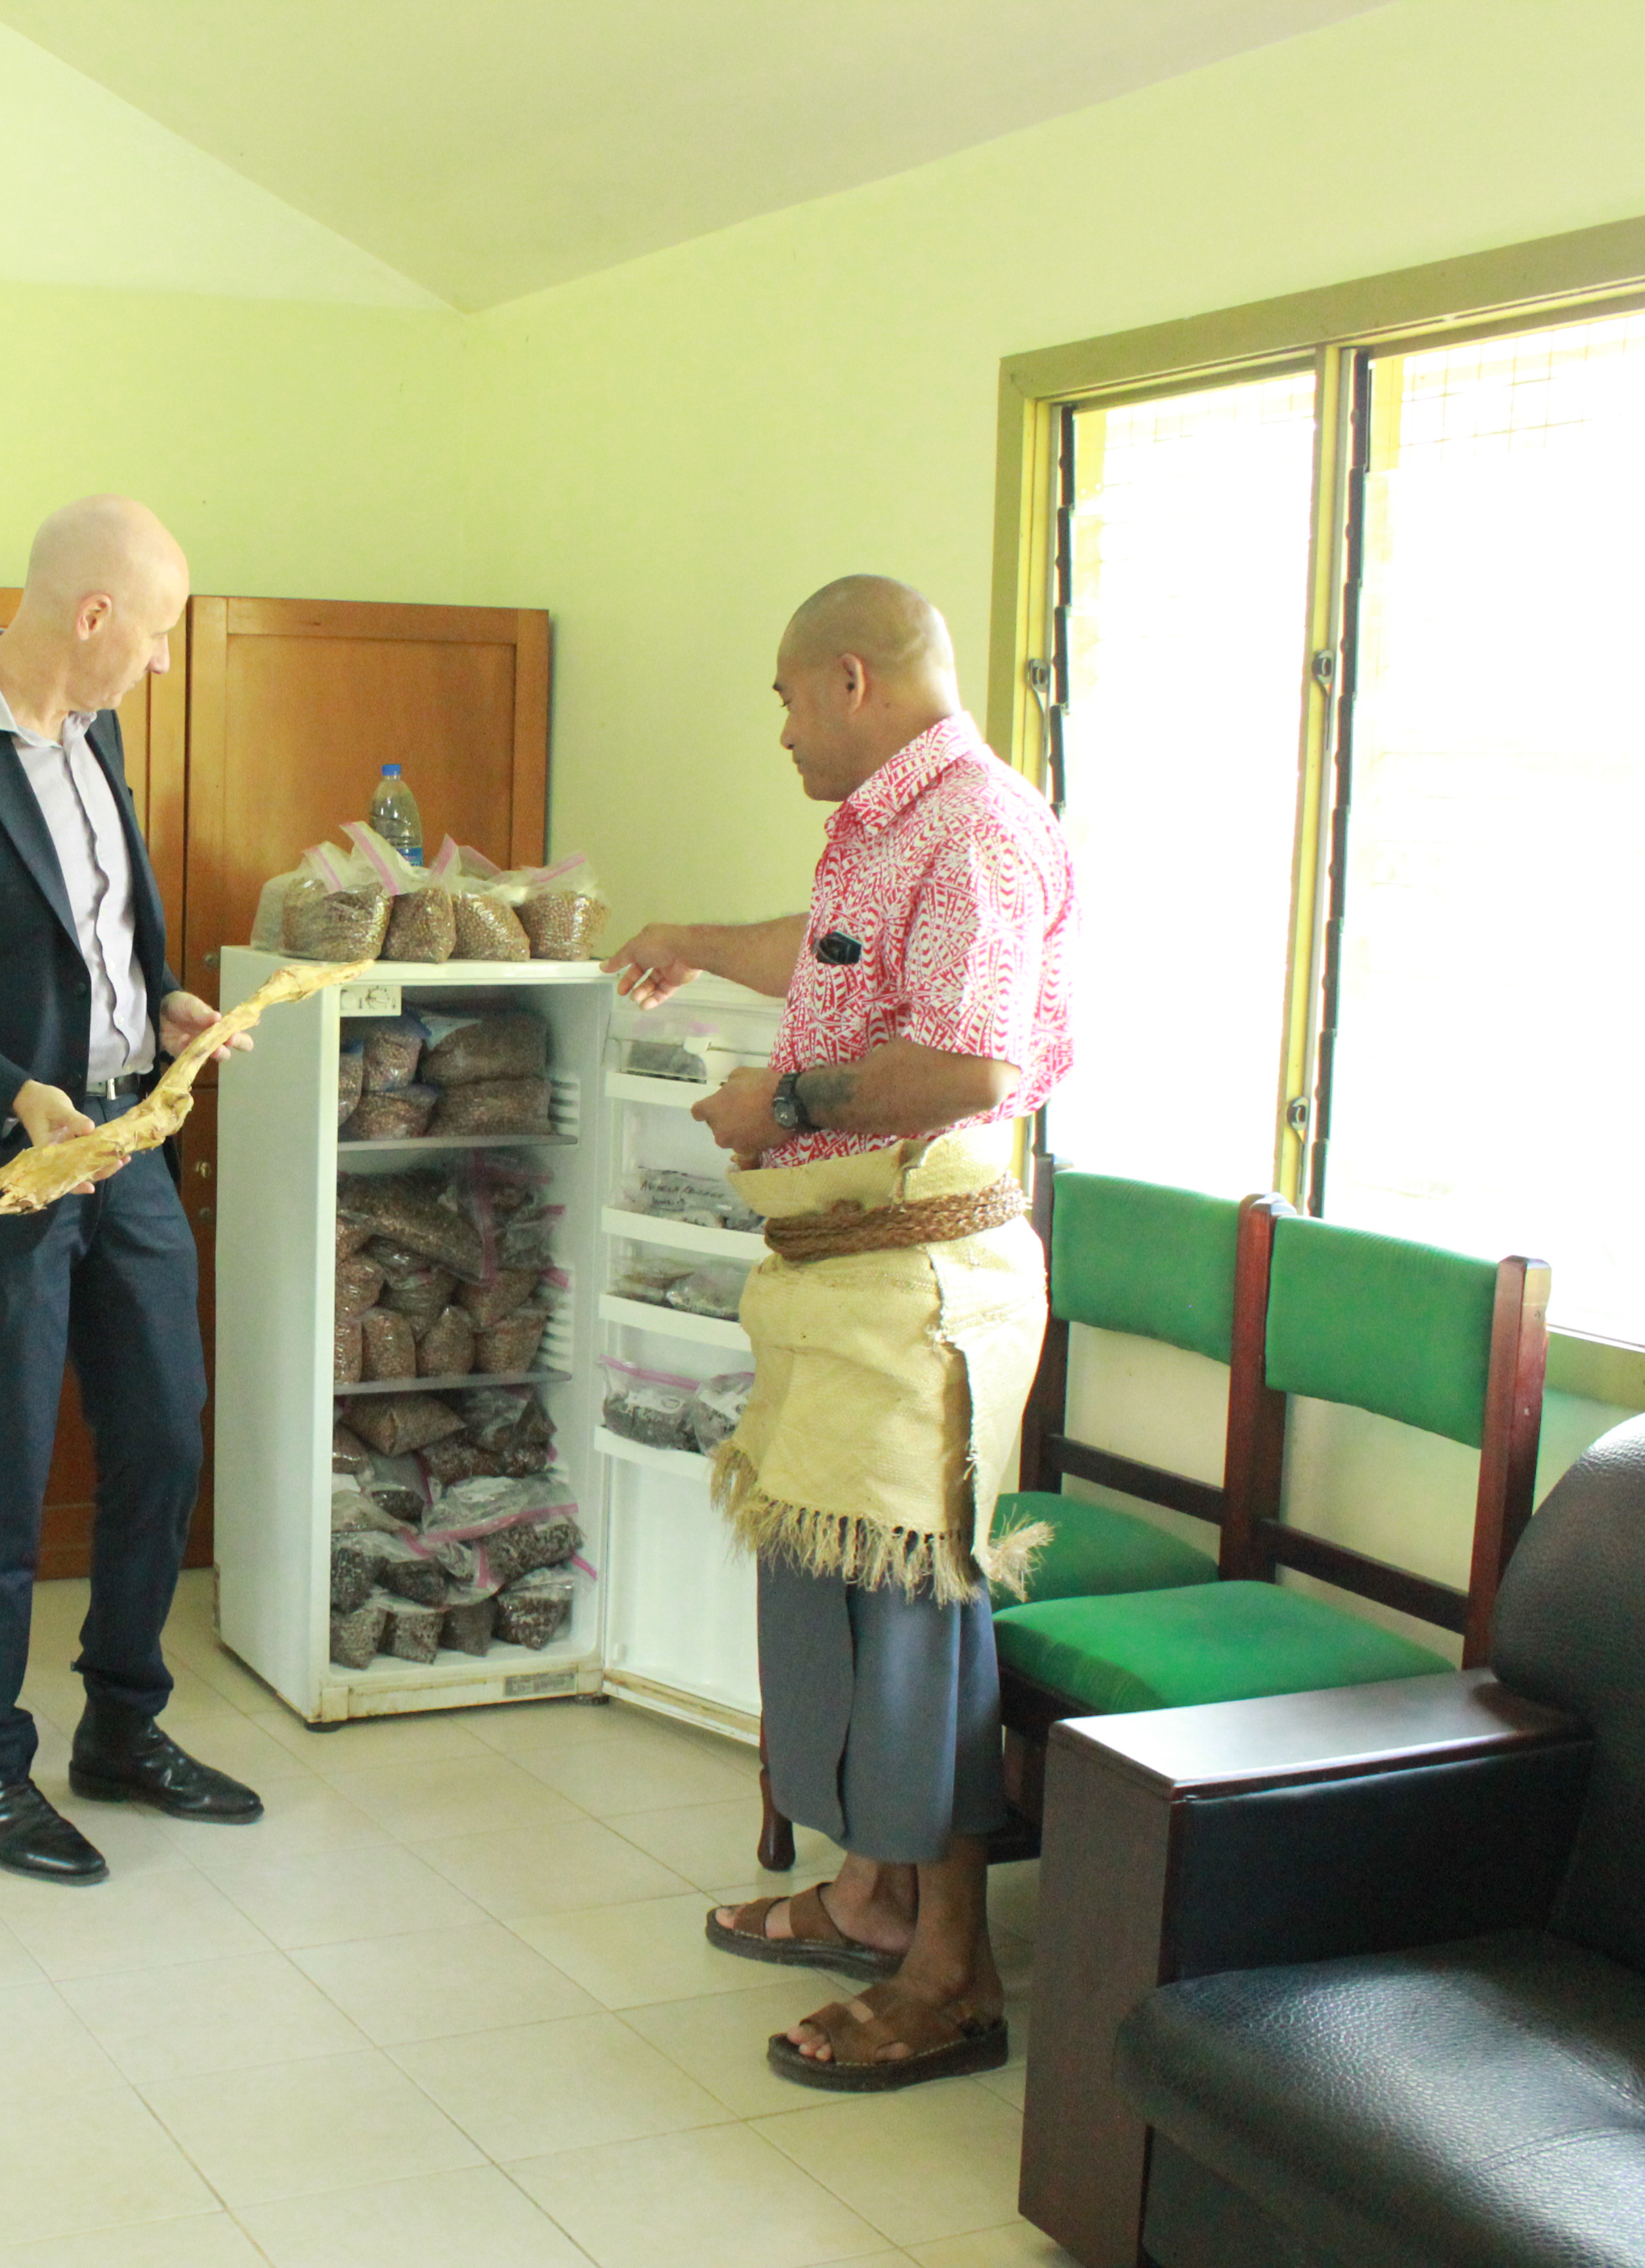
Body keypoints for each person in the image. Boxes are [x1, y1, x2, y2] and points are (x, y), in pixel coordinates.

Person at [602, 573, 1072, 2089]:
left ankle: (953, 1974)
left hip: (925, 1294)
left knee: (916, 1615)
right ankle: (871, 1898)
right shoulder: (889, 830)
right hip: (838, 1281)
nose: (783, 728)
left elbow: (969, 1061)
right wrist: (690, 938)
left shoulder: (981, 828)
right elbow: (834, 957)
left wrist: (782, 1103)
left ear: (853, 679)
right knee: (830, 1596)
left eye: (789, 697)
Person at [0, 495, 263, 1885]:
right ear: (91, 617)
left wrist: (170, 1003)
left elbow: (102, 937)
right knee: (9, 1470)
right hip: (6, 1167)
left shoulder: (101, 738)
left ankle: (123, 1731)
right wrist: (14, 1093)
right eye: (157, 630)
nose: (162, 659)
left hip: (128, 1144)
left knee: (162, 1440)